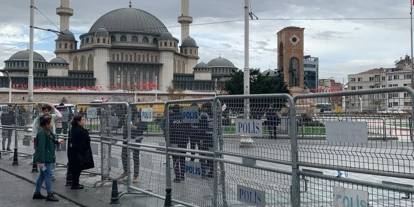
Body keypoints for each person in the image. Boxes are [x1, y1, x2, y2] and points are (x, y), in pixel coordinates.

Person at [32, 115, 63, 202]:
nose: (52, 124)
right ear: (46, 124)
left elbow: (52, 138)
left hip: (47, 157)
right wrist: (41, 161)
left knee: (42, 175)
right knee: (48, 176)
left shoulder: (47, 131)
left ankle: (37, 193)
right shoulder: (42, 133)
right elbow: (40, 148)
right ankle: (49, 194)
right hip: (45, 159)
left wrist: (57, 141)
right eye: (50, 123)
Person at [32, 104, 62, 177]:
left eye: (48, 111)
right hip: (42, 138)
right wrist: (34, 139)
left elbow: (60, 115)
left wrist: (53, 107)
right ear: (42, 111)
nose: (46, 112)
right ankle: (44, 172)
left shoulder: (52, 117)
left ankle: (50, 173)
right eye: (45, 111)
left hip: (51, 138)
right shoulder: (39, 118)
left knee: (52, 155)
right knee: (43, 154)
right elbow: (35, 128)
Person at [67, 115, 94, 190]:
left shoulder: (73, 129)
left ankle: (75, 183)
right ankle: (75, 184)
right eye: (83, 119)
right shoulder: (79, 130)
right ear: (78, 121)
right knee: (77, 169)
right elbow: (85, 141)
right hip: (78, 153)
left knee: (76, 168)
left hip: (74, 152)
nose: (84, 121)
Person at [121, 108, 147, 183]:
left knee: (135, 157)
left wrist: (136, 127)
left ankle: (136, 175)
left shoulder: (139, 115)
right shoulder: (127, 116)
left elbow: (145, 127)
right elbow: (122, 125)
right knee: (124, 155)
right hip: (127, 139)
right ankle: (126, 172)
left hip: (136, 139)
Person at [169, 104, 186, 183]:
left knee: (175, 159)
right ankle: (182, 175)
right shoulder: (184, 117)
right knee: (183, 158)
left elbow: (169, 130)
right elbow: (188, 128)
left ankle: (177, 177)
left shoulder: (171, 118)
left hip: (174, 141)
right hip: (183, 140)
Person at [199, 103, 214, 178]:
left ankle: (203, 173)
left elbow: (202, 127)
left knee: (202, 155)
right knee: (212, 156)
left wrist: (201, 139)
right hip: (213, 137)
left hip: (205, 137)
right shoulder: (214, 114)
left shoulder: (204, 115)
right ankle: (212, 172)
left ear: (205, 107)